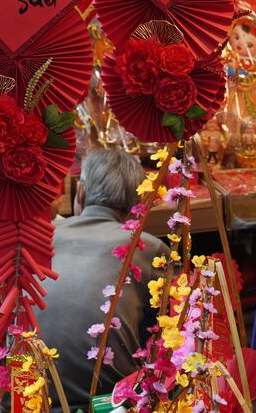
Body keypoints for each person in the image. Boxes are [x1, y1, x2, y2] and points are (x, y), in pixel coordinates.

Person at [41, 149, 169, 405]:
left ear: (81, 192)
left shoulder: (42, 235)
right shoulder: (148, 248)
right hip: (105, 402)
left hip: (27, 394)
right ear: (138, 202)